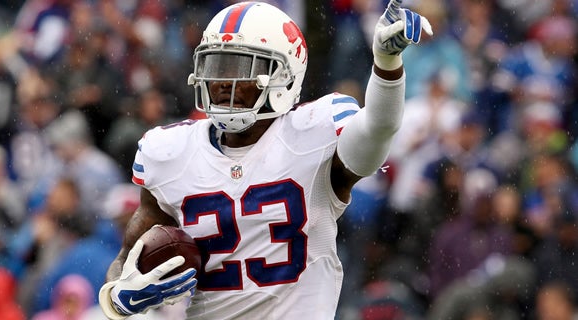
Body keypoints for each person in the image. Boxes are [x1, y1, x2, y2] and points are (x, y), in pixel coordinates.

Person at [98, 1, 432, 319]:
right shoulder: (170, 152)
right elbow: (127, 259)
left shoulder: (314, 131)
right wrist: (117, 298)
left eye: (241, 68)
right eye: (217, 66)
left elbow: (377, 132)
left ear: (284, 75)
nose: (222, 83)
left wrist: (386, 66)